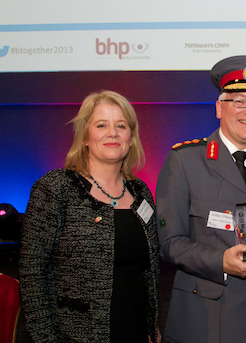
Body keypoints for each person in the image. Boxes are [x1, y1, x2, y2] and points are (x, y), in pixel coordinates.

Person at [156, 55, 246, 343]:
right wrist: (220, 261)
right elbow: (169, 243)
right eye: (240, 101)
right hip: (205, 319)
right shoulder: (185, 161)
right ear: (219, 107)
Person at [19, 91, 160, 343]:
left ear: (131, 139)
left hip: (135, 330)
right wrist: (46, 338)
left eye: (121, 125)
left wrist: (152, 323)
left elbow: (149, 272)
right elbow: (32, 272)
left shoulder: (141, 193)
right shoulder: (57, 188)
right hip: (73, 335)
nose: (112, 133)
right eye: (101, 125)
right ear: (85, 136)